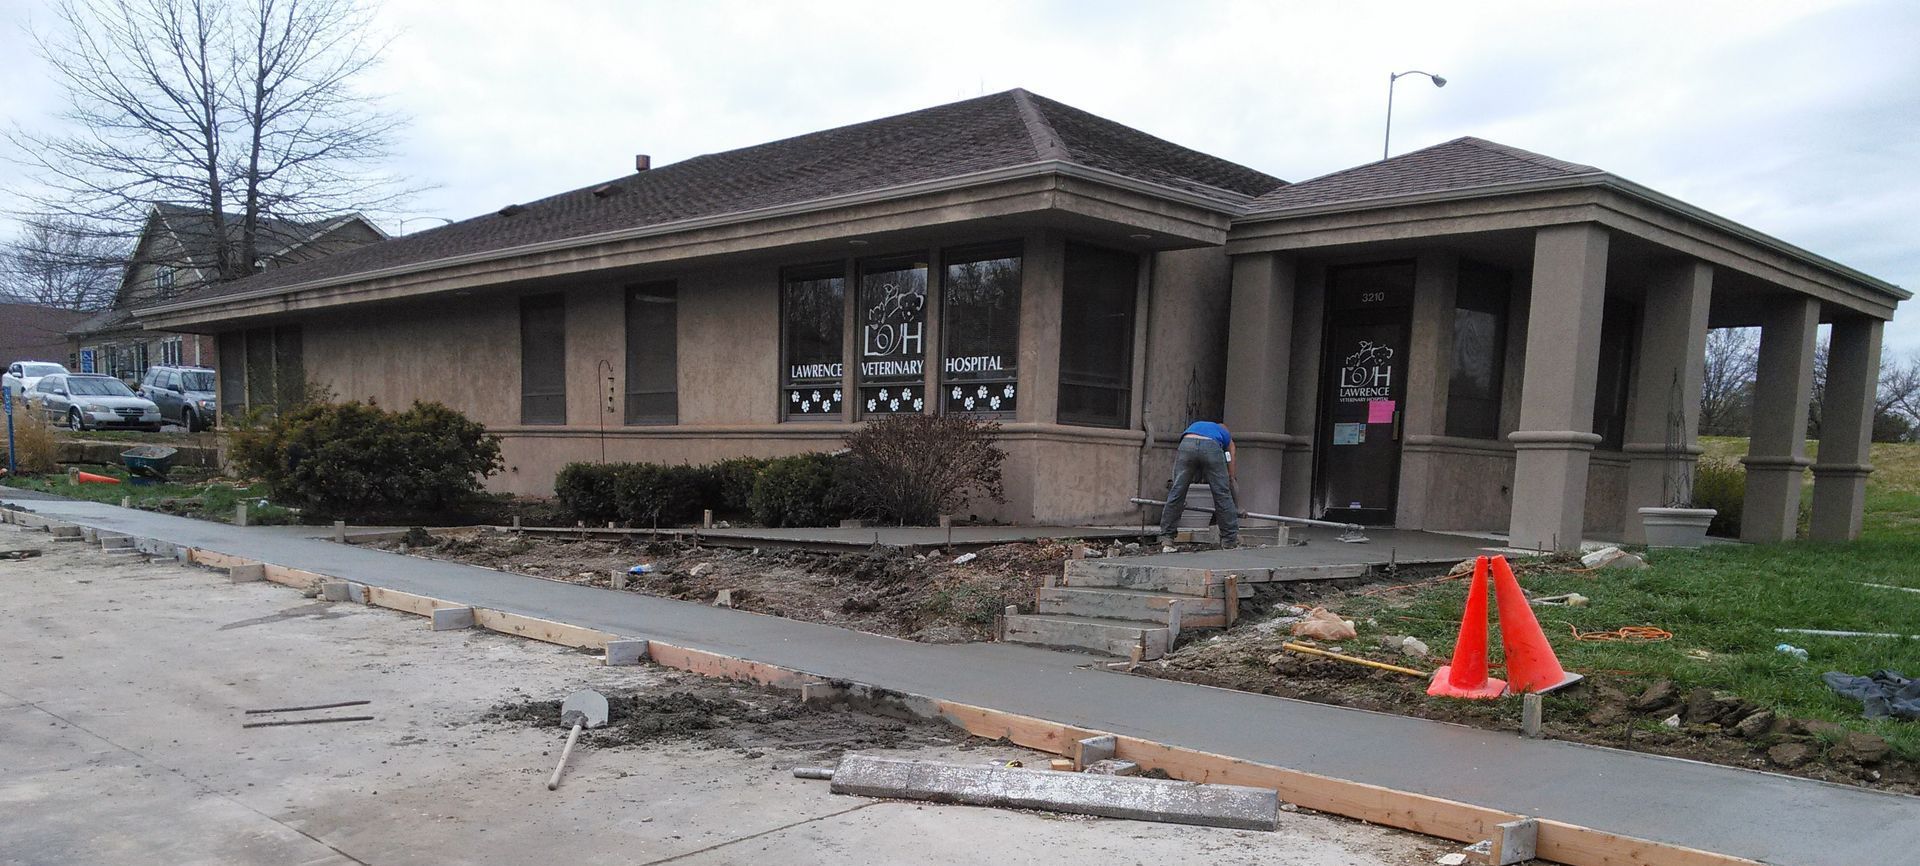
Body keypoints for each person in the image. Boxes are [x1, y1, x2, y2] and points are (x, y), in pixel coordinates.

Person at [1159, 419, 1238, 551]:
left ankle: (1167, 539)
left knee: (1177, 491)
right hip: (1211, 447)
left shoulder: (1198, 426)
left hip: (1187, 444)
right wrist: (1231, 476)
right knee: (1222, 494)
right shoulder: (1225, 434)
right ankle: (1229, 541)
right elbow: (1231, 453)